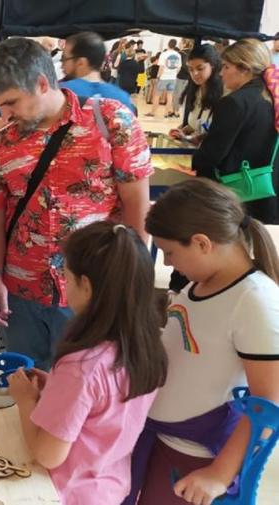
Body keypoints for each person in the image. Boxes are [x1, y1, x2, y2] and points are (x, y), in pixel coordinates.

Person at [0, 37, 153, 370]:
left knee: (83, 392)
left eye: (12, 101)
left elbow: (137, 206)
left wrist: (130, 280)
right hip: (22, 291)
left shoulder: (111, 121)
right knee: (24, 385)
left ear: (43, 84)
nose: (6, 114)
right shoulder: (0, 144)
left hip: (93, 289)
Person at [126, 179, 279, 505]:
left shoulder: (254, 301)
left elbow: (270, 403)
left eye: (169, 252)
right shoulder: (197, 286)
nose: (166, 263)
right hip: (164, 445)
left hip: (201, 461)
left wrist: (219, 475)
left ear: (202, 243)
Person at [9, 221, 167, 505]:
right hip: (108, 491)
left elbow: (47, 454)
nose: (65, 286)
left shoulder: (82, 366)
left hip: (62, 494)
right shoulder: (147, 347)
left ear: (86, 285)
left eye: (67, 278)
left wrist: (26, 400)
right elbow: (102, 410)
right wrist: (56, 388)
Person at [192, 38, 279, 224]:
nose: (221, 74)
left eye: (226, 67)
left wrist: (197, 157)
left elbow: (212, 155)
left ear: (245, 69)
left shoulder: (235, 102)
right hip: (267, 191)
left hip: (236, 197)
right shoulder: (273, 98)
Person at [60, 31, 135, 112]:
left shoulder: (62, 93)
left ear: (81, 62)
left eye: (64, 59)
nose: (62, 65)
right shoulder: (122, 98)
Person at [169, 44, 223, 145]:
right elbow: (194, 124)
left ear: (213, 66)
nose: (195, 74)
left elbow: (219, 133)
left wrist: (194, 138)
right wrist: (182, 131)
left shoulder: (223, 95)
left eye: (200, 68)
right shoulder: (195, 91)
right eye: (191, 69)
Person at [147, 39, 183, 118]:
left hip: (163, 77)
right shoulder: (178, 55)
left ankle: (153, 112)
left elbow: (161, 67)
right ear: (175, 45)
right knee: (169, 96)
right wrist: (174, 74)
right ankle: (166, 113)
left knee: (157, 95)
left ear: (168, 44)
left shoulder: (164, 54)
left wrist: (158, 76)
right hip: (173, 78)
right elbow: (179, 68)